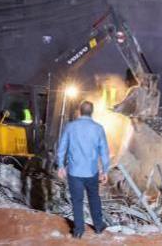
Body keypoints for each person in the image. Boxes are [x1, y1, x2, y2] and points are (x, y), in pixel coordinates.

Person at [56, 100, 110, 238]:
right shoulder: (98, 128)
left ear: (80, 111)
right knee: (94, 198)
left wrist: (61, 166)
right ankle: (98, 226)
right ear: (92, 112)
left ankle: (79, 230)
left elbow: (62, 148)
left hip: (74, 172)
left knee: (77, 200)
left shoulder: (70, 127)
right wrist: (105, 170)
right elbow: (104, 151)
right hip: (92, 172)